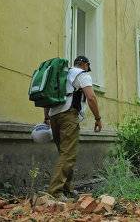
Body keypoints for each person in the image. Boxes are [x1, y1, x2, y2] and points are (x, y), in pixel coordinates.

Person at [44, 56, 102, 199]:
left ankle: (67, 189)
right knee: (68, 155)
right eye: (88, 66)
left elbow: (48, 95)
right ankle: (55, 192)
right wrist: (98, 118)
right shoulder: (82, 74)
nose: (88, 69)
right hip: (68, 116)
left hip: (53, 116)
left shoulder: (62, 74)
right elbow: (91, 97)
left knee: (64, 154)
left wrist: (46, 117)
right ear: (83, 64)